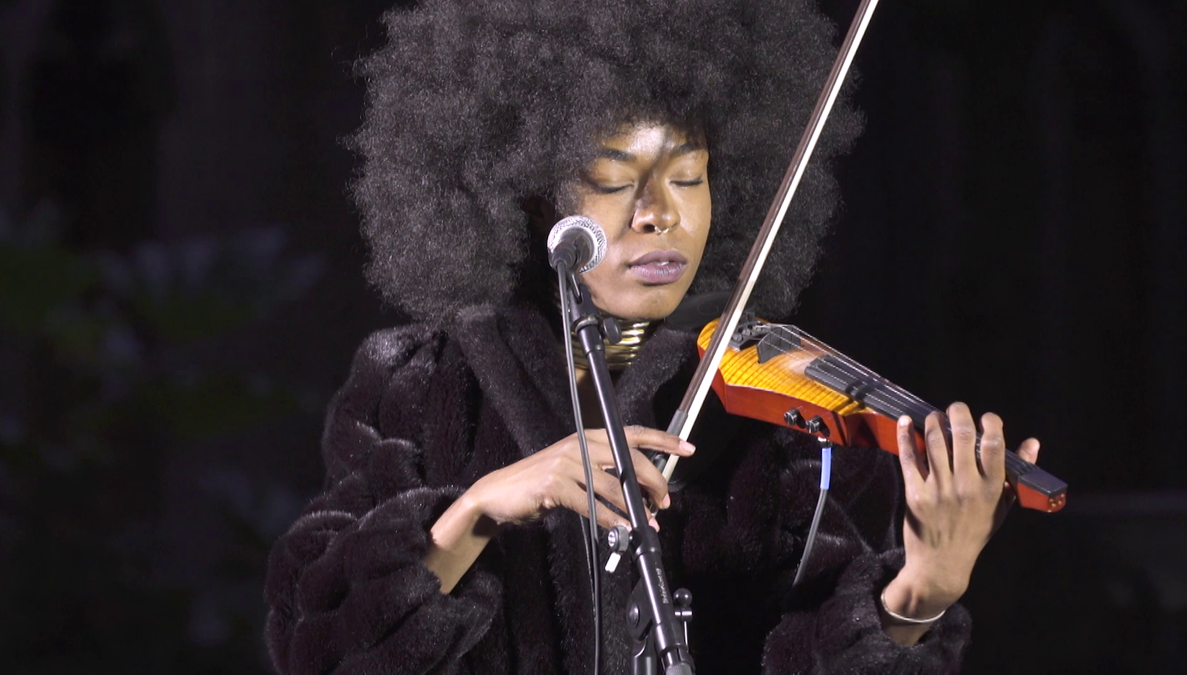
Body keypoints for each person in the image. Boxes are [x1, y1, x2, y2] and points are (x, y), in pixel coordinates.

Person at [263, 1, 1042, 672]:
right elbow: (318, 646)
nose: (659, 212)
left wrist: (919, 594)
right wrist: (478, 508)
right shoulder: (416, 382)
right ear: (535, 199)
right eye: (613, 179)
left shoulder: (783, 417)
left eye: (688, 176)